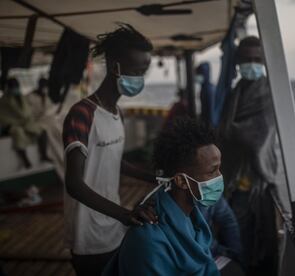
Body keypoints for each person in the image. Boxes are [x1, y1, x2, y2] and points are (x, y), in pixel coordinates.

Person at [62, 24, 157, 276]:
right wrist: (125, 214)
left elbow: (114, 161)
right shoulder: (82, 114)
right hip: (88, 232)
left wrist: (153, 177)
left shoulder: (116, 113)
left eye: (144, 71)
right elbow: (74, 183)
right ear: (115, 66)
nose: (140, 78)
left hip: (112, 224)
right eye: (136, 71)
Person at [103, 118, 244, 276]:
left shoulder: (192, 215)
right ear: (182, 181)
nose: (220, 177)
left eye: (219, 169)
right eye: (212, 171)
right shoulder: (149, 242)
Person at [218, 36, 279, 273]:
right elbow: (225, 130)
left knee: (247, 238)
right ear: (238, 62)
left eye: (257, 59)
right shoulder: (237, 91)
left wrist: (231, 131)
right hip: (231, 179)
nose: (251, 64)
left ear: (264, 61)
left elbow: (260, 135)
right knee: (231, 235)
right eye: (246, 59)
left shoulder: (270, 93)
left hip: (255, 181)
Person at [0, 78, 50, 168]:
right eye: (13, 87)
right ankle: (25, 160)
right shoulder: (3, 101)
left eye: (16, 87)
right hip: (11, 125)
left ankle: (44, 155)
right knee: (18, 133)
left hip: (25, 123)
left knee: (42, 131)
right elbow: (3, 117)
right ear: (9, 88)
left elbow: (28, 112)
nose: (15, 89)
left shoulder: (22, 97)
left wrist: (27, 120)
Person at [27, 77, 65, 180]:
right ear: (39, 86)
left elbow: (51, 109)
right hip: (38, 121)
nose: (45, 89)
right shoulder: (30, 97)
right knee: (46, 131)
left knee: (59, 128)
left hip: (48, 120)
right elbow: (31, 114)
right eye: (44, 87)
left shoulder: (47, 96)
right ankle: (44, 154)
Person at [197, 196, 243, 262]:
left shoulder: (209, 191)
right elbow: (195, 239)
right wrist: (221, 251)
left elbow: (228, 220)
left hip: (212, 253)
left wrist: (235, 254)